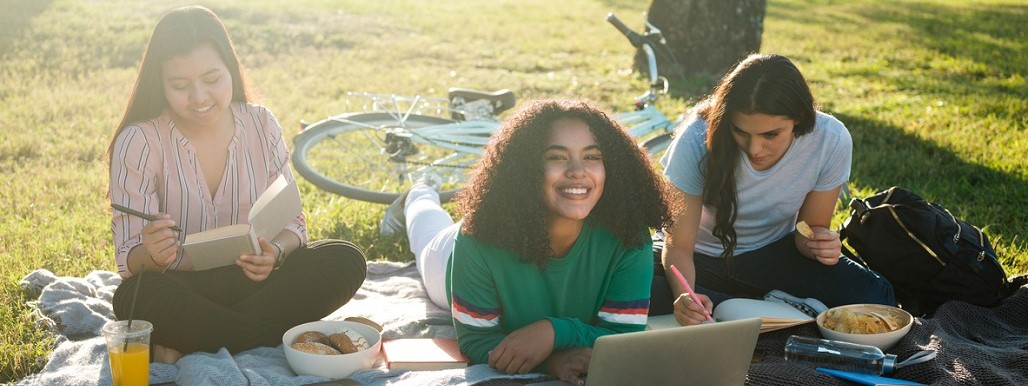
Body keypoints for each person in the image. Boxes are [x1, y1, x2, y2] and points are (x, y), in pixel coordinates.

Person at [106, 5, 366, 363]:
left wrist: (274, 253)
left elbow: (294, 224)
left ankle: (198, 341)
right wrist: (151, 254)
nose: (199, 97)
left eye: (212, 80)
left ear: (231, 69)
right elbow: (128, 259)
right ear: (160, 84)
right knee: (135, 296)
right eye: (180, 85)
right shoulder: (139, 141)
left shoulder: (261, 124)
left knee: (345, 257)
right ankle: (274, 334)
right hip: (185, 287)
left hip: (257, 281)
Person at [379, 99, 677, 384]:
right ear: (526, 169)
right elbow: (477, 341)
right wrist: (552, 362)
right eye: (557, 157)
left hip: (508, 225)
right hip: (450, 259)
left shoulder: (629, 235)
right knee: (426, 231)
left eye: (592, 156)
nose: (577, 171)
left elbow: (623, 337)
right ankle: (418, 194)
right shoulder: (476, 238)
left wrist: (555, 332)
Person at [654, 53, 896, 326]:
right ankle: (767, 306)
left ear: (799, 118)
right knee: (626, 290)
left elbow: (808, 232)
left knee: (875, 295)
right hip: (697, 257)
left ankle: (735, 306)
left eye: (771, 135)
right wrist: (685, 295)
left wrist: (820, 244)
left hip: (772, 250)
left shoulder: (830, 139)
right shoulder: (696, 138)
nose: (754, 149)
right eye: (740, 131)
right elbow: (679, 245)